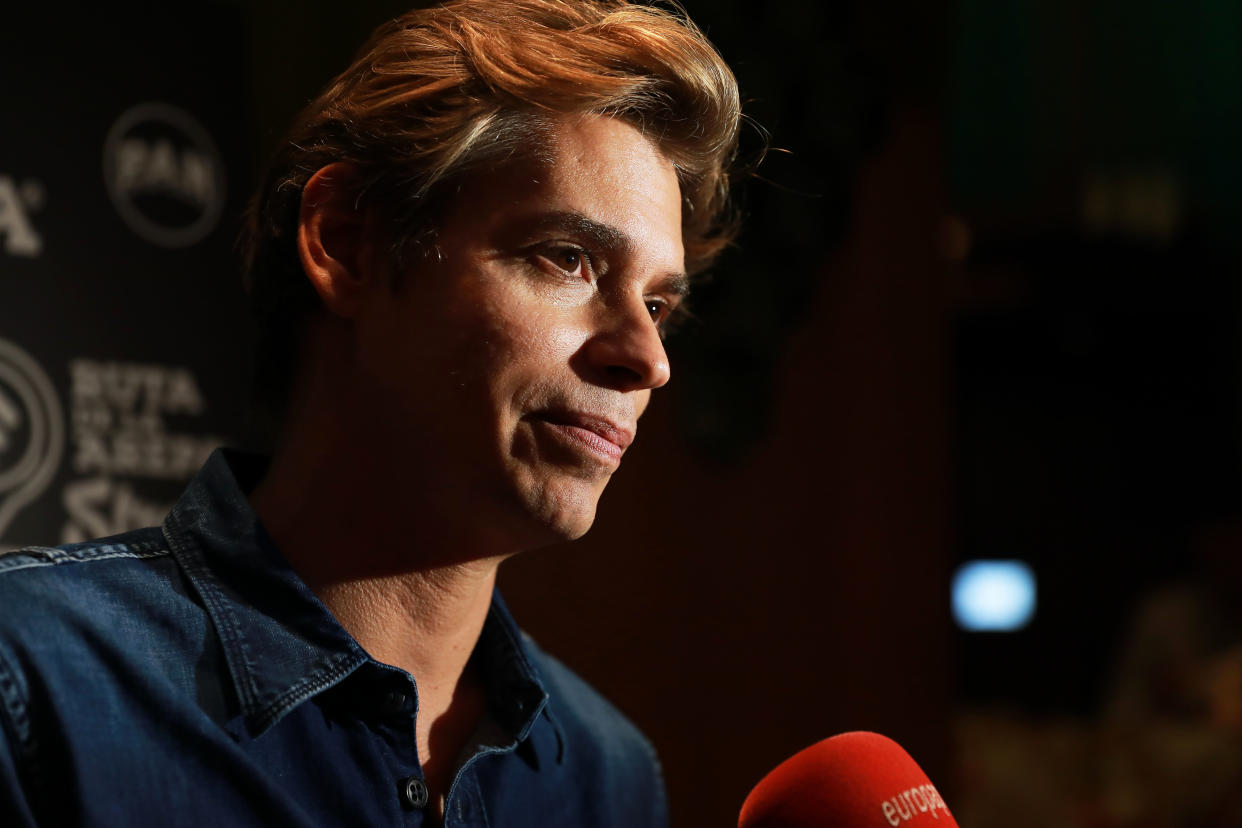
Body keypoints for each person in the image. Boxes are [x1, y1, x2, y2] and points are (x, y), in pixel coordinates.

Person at [0, 1, 741, 825]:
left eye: (660, 304)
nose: (648, 358)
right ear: (346, 244)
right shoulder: (30, 679)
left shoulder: (609, 777)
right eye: (567, 259)